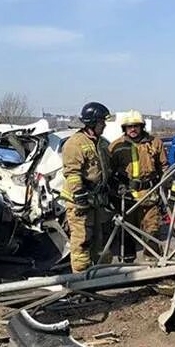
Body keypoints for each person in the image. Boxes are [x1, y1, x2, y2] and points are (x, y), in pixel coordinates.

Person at [61, 102, 112, 273]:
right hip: (79, 201)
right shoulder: (75, 143)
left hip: (96, 200)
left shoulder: (102, 143)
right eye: (101, 122)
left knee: (99, 239)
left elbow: (105, 169)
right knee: (82, 240)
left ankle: (99, 275)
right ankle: (80, 279)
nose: (104, 125)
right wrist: (79, 194)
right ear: (92, 123)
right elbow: (72, 173)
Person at [108, 111, 167, 259]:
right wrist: (116, 189)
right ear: (124, 129)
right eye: (129, 127)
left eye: (136, 126)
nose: (132, 129)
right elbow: (109, 173)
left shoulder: (155, 143)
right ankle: (126, 266)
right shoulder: (116, 146)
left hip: (150, 195)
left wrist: (165, 191)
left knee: (152, 231)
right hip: (127, 198)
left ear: (142, 127)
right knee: (126, 233)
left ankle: (153, 263)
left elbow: (165, 168)